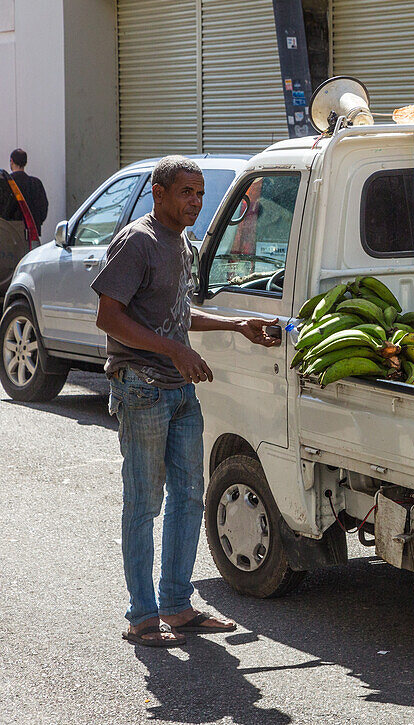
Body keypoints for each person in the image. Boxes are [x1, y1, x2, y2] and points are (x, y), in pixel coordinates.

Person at [92, 156, 281, 647]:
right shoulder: (139, 241)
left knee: (188, 498)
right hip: (140, 387)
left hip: (179, 391)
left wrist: (236, 325)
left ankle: (176, 605)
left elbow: (178, 311)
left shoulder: (183, 245)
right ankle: (142, 615)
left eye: (199, 194)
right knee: (143, 503)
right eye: (185, 193)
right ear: (159, 194)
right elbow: (109, 317)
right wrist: (174, 349)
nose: (195, 202)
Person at [6, 148, 48, 233]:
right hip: (31, 232)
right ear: (25, 162)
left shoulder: (5, 183)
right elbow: (43, 207)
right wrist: (36, 222)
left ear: (11, 161)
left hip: (8, 233)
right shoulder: (36, 183)